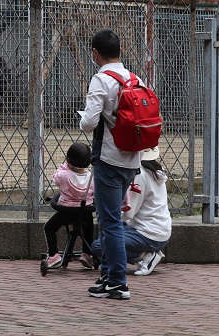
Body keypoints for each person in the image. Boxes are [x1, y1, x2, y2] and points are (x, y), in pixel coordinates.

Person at [79, 28, 142, 300]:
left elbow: (90, 123)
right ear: (120, 51)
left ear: (95, 53)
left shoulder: (101, 79)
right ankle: (107, 276)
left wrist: (82, 118)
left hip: (109, 159)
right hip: (132, 160)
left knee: (110, 223)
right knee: (112, 221)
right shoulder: (135, 77)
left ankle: (117, 281)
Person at [91, 146, 171, 276]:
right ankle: (145, 252)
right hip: (159, 230)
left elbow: (129, 212)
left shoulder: (140, 175)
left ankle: (144, 255)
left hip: (148, 232)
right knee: (111, 234)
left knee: (100, 245)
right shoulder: (156, 171)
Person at [43, 141, 95, 270]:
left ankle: (54, 255)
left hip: (66, 211)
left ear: (69, 160)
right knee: (88, 229)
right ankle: (87, 254)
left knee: (49, 228)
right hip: (85, 211)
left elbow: (55, 177)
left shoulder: (64, 175)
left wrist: (66, 166)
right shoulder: (92, 177)